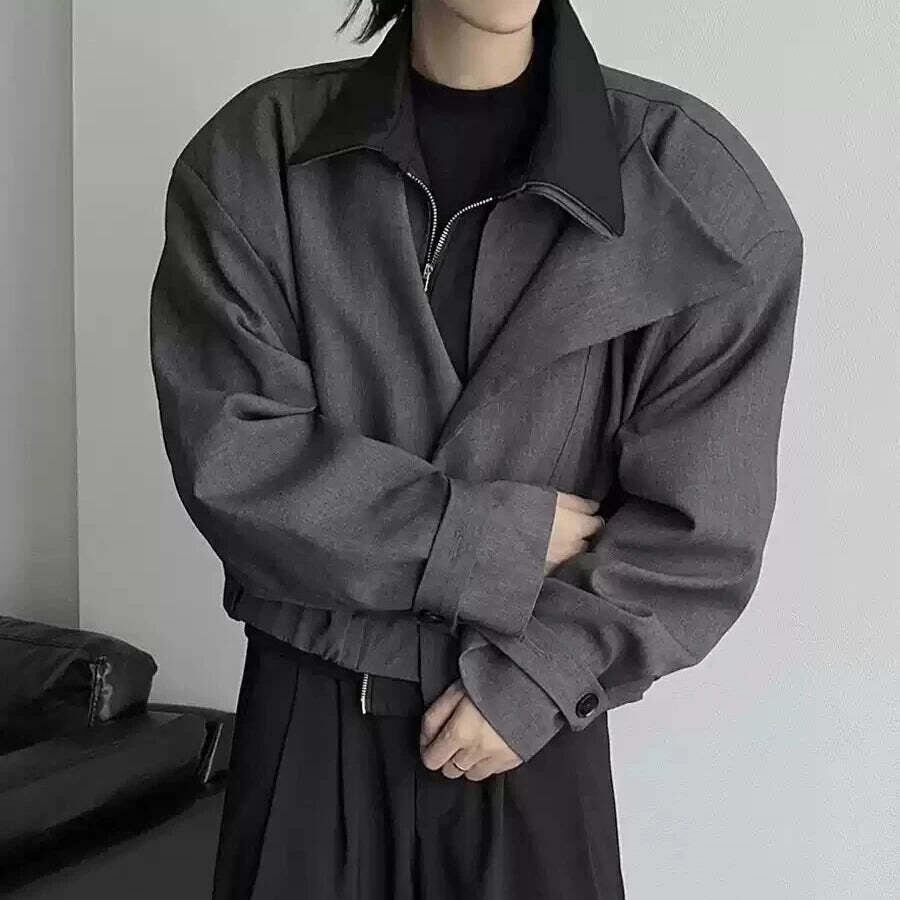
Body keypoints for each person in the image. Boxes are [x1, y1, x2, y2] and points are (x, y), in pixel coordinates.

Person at [148, 0, 804, 897]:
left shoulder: (696, 189)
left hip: (528, 743)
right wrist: (491, 540)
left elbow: (701, 532)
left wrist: (542, 678)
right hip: (305, 732)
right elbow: (232, 458)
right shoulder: (257, 156)